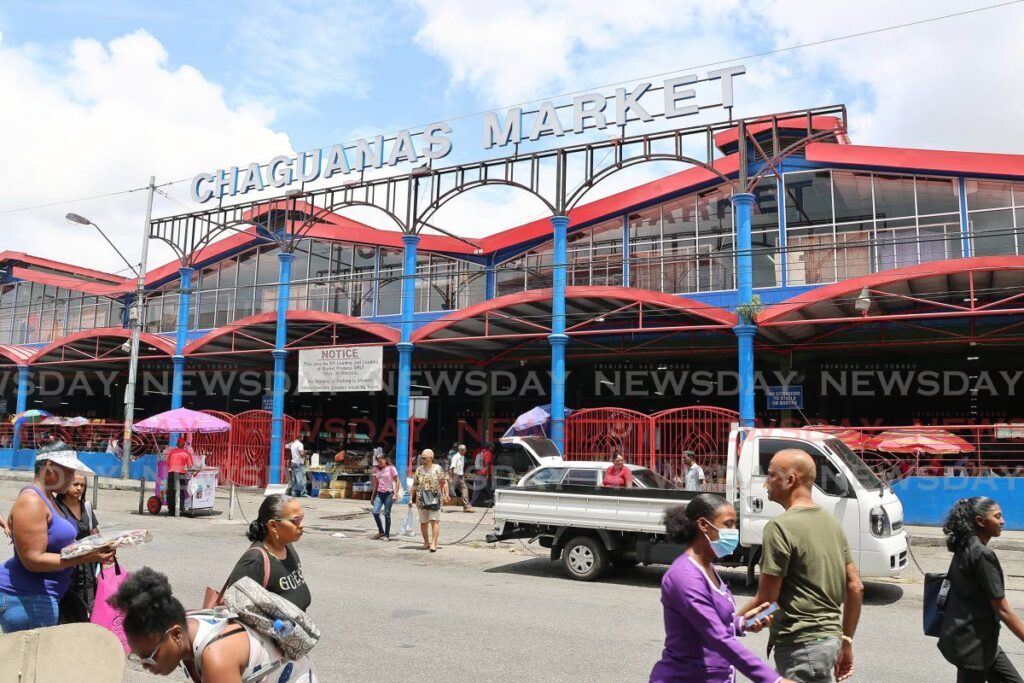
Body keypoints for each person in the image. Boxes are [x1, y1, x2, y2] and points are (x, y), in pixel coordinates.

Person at [740, 449, 863, 683]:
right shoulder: (832, 523)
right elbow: (855, 587)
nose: (766, 484)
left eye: (770, 475)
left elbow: (768, 602)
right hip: (829, 642)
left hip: (801, 647)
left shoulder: (779, 527)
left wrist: (732, 624)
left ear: (790, 480)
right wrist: (846, 642)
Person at [651, 495, 792, 683]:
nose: (734, 531)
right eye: (728, 524)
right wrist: (774, 680)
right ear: (703, 525)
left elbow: (707, 624)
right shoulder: (684, 576)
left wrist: (741, 623)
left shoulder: (708, 568)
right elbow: (716, 636)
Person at [109, 566, 316, 681]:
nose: (145, 666)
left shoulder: (216, 658)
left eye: (150, 657)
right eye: (140, 658)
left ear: (175, 635)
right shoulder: (186, 626)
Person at [0, 441, 115, 633]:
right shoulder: (32, 501)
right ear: (50, 468)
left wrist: (94, 545)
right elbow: (32, 560)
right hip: (28, 597)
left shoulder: (50, 498)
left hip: (46, 595)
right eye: (69, 472)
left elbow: (58, 543)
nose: (72, 478)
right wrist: (86, 557)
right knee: (36, 661)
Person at [938, 497, 1024, 682]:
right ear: (980, 521)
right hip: (973, 648)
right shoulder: (982, 554)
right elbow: (1002, 609)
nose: (1002, 521)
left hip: (981, 642)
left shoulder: (965, 545)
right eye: (997, 516)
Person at [224, 494, 310, 611]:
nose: (301, 525)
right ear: (273, 525)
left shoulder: (287, 547)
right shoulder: (254, 561)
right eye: (296, 520)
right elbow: (236, 608)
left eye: (302, 518)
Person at [55, 472, 100, 622]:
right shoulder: (56, 507)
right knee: (68, 609)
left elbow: (94, 533)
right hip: (67, 567)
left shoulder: (86, 506)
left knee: (89, 606)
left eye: (82, 485)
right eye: (75, 484)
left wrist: (107, 546)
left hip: (88, 566)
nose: (79, 488)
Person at [408, 449, 449, 552]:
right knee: (423, 522)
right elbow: (415, 484)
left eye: (424, 458)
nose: (422, 460)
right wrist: (410, 498)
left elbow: (444, 483)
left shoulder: (438, 469)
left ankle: (434, 543)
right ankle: (426, 542)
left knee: (434, 521)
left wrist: (446, 495)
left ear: (431, 458)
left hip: (435, 498)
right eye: (421, 458)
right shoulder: (419, 470)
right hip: (421, 499)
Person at [371, 454, 400, 540]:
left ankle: (387, 535)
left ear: (385, 459)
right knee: (375, 512)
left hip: (389, 494)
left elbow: (397, 481)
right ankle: (381, 531)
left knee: (387, 514)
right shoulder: (377, 470)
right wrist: (372, 496)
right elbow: (376, 484)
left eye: (381, 461)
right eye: (378, 461)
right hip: (379, 494)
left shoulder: (391, 468)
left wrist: (395, 494)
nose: (379, 463)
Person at [166, 437, 194, 516]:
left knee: (171, 492)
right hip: (181, 474)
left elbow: (167, 463)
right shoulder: (186, 453)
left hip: (171, 473)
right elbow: (190, 466)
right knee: (181, 492)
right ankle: (180, 509)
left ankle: (171, 510)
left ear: (177, 444)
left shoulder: (172, 452)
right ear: (184, 444)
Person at [448, 444, 475, 513]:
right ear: (460, 450)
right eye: (464, 450)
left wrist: (462, 475)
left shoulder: (462, 457)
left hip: (459, 476)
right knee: (449, 491)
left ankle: (466, 506)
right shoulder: (456, 457)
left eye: (465, 450)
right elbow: (452, 467)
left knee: (464, 489)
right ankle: (438, 503)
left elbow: (461, 467)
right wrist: (451, 477)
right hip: (455, 475)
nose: (465, 451)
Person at [471, 441, 495, 507]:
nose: (493, 448)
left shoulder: (480, 453)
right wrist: (487, 475)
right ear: (490, 447)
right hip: (484, 474)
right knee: (490, 489)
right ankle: (495, 501)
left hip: (478, 473)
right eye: (492, 447)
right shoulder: (488, 453)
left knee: (477, 490)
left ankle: (473, 502)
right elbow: (487, 464)